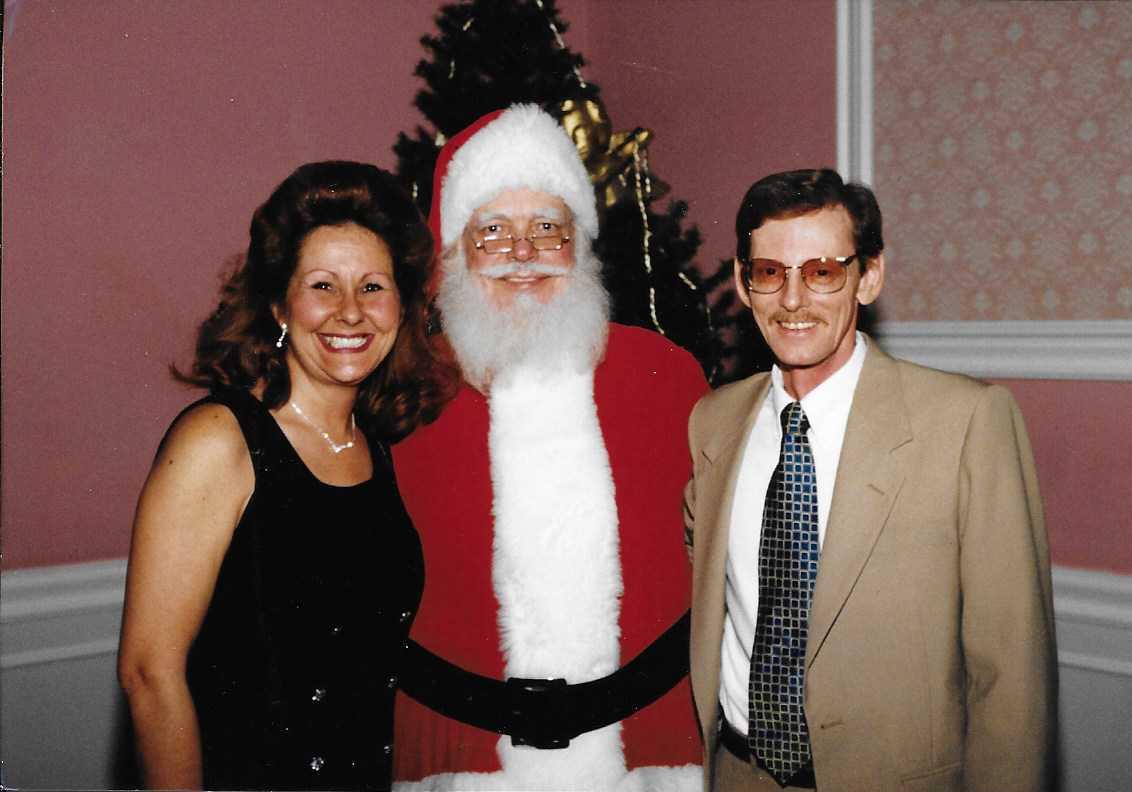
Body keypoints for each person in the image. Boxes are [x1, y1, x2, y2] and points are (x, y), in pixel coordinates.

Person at [685, 169, 1057, 791]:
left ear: (869, 277)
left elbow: (1011, 677)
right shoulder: (713, 422)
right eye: (771, 272)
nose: (794, 300)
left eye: (823, 271)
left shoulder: (965, 422)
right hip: (735, 775)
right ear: (746, 285)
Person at [389, 104, 707, 791]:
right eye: (493, 231)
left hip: (648, 750)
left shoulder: (666, 374)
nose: (523, 253)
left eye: (546, 229)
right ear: (453, 255)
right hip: (464, 758)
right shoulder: (406, 392)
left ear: (580, 244)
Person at [117, 161, 452, 791]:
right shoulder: (219, 439)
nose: (350, 313)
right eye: (323, 286)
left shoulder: (380, 448)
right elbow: (148, 673)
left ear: (403, 309)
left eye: (373, 287)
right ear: (279, 304)